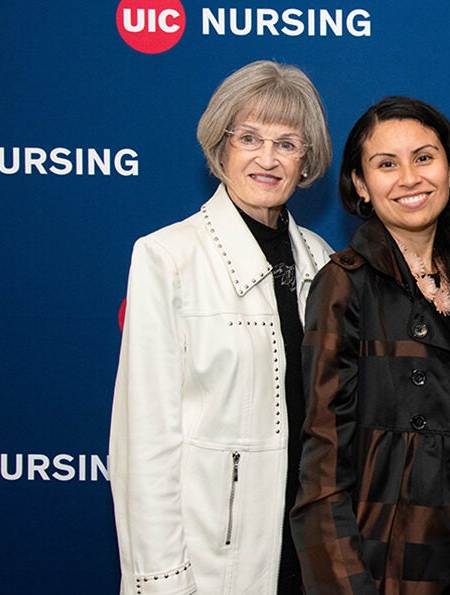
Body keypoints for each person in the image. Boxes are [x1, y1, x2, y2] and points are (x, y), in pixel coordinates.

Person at [108, 60, 334, 594]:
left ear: (306, 162)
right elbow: (143, 442)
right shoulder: (169, 257)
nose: (268, 158)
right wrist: (162, 580)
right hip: (211, 562)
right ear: (220, 148)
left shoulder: (323, 261)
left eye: (287, 143)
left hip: (307, 551)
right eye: (250, 138)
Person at [290, 96, 450, 594]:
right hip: (388, 562)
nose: (409, 178)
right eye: (386, 164)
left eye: (423, 157)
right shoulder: (345, 284)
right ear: (361, 184)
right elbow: (323, 467)